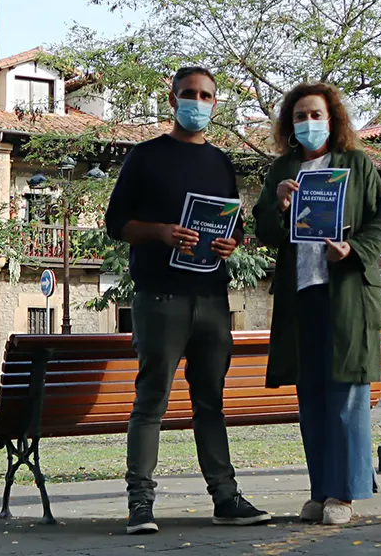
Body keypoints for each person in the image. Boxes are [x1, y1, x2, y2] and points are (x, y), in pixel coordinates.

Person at [104, 66, 270, 535]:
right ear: (172, 99)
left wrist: (230, 243)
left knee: (210, 403)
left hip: (213, 299)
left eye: (207, 95)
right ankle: (140, 504)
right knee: (151, 400)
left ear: (216, 103)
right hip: (160, 298)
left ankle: (226, 498)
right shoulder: (145, 157)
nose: (198, 102)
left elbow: (231, 224)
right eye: (189, 94)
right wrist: (160, 232)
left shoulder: (220, 162)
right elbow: (117, 224)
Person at [253, 82, 381, 526]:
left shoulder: (357, 163)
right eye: (299, 116)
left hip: (347, 294)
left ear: (333, 118)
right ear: (289, 125)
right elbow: (265, 231)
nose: (308, 123)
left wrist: (351, 251)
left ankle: (344, 493)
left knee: (346, 392)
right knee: (310, 395)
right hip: (301, 295)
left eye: (316, 114)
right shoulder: (283, 170)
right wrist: (277, 205)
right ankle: (319, 490)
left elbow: (377, 223)